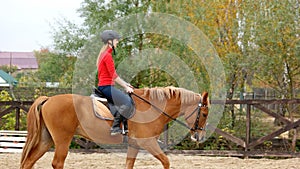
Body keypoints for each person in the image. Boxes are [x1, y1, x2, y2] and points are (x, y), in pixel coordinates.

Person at [96, 30, 134, 135]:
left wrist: (126, 84)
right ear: (110, 41)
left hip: (106, 86)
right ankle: (115, 127)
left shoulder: (104, 54)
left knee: (128, 98)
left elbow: (113, 75)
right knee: (127, 103)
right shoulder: (107, 56)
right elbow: (113, 75)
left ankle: (125, 128)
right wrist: (125, 87)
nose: (117, 42)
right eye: (116, 40)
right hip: (106, 87)